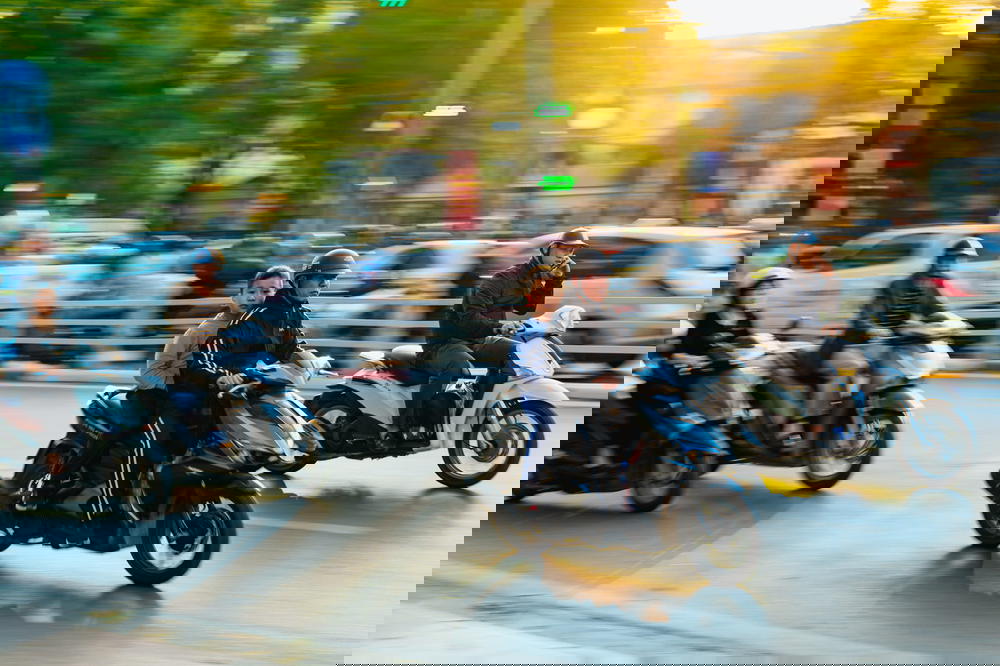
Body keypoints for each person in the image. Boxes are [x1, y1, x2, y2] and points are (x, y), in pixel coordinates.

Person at [395, 229, 591, 434]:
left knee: (524, 355)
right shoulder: (506, 280)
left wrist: (554, 321)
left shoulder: (537, 282)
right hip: (457, 337)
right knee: (459, 378)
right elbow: (467, 317)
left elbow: (525, 315)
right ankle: (413, 417)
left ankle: (487, 407)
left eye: (572, 251)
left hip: (485, 335)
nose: (567, 255)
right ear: (550, 249)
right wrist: (505, 327)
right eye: (564, 249)